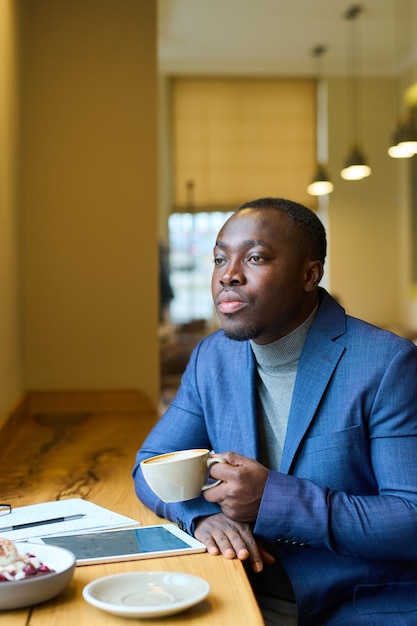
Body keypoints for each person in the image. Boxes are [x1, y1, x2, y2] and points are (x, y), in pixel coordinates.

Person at [133, 197, 417, 625]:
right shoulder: (212, 357)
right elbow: (148, 465)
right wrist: (201, 518)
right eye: (219, 259)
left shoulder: (387, 364)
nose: (228, 275)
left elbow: (410, 519)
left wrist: (273, 500)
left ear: (310, 274)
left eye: (255, 258)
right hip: (238, 589)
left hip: (357, 604)